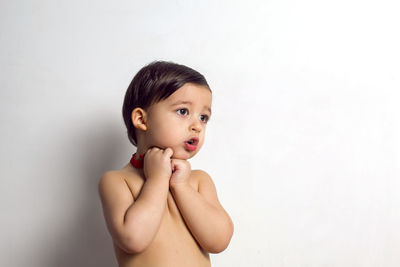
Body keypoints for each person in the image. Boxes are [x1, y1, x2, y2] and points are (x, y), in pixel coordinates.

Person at [98, 61, 234, 267]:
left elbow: (219, 241)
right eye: (182, 111)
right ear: (142, 120)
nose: (197, 125)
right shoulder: (118, 181)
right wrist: (157, 179)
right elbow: (133, 239)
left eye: (203, 117)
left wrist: (180, 186)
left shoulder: (198, 181)